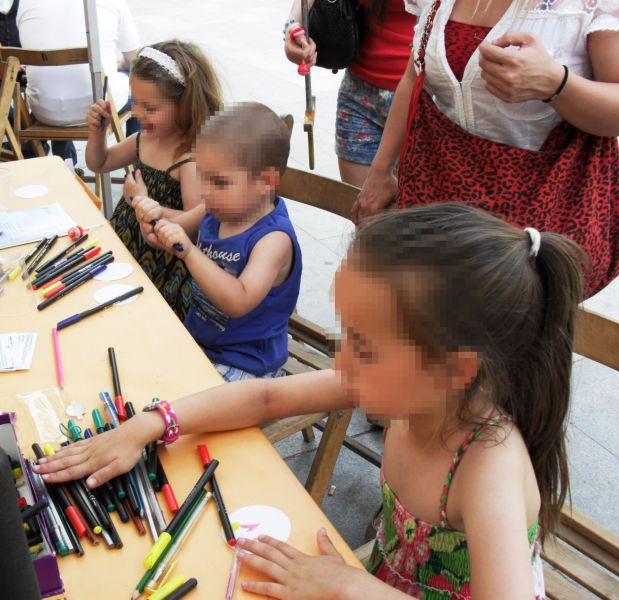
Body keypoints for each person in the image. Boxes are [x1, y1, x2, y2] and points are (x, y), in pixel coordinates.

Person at [35, 203, 585, 599]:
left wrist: (350, 587)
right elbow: (267, 394)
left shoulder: (488, 467)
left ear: (454, 369)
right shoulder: (411, 387)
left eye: (365, 346)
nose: (343, 361)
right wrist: (151, 424)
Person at [354, 0, 619, 297]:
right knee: (427, 321)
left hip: (534, 225)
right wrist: (380, 172)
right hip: (436, 212)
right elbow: (414, 73)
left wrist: (556, 84)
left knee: (507, 328)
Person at [136, 102, 302, 382]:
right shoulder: (215, 209)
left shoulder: (273, 239)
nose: (206, 191)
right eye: (202, 176)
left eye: (220, 182)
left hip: (247, 365)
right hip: (201, 343)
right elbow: (165, 237)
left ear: (266, 182)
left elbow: (239, 300)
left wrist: (189, 252)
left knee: (172, 400)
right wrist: (152, 223)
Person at [86, 40, 222, 321]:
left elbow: (196, 226)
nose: (138, 113)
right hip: (126, 249)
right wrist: (97, 133)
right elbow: (99, 163)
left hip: (163, 266)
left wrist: (141, 201)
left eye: (150, 108)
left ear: (184, 106)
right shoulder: (143, 140)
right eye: (135, 102)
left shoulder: (188, 159)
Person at [283, 0, 416, 186]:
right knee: (360, 202)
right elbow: (301, 8)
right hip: (360, 98)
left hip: (424, 101)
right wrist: (293, 25)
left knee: (417, 203)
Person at [16, 0, 139, 128]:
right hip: (99, 107)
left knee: (55, 79)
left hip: (43, 111)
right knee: (140, 80)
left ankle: (57, 143)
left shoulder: (25, 2)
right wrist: (118, 66)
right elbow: (134, 60)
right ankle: (138, 141)